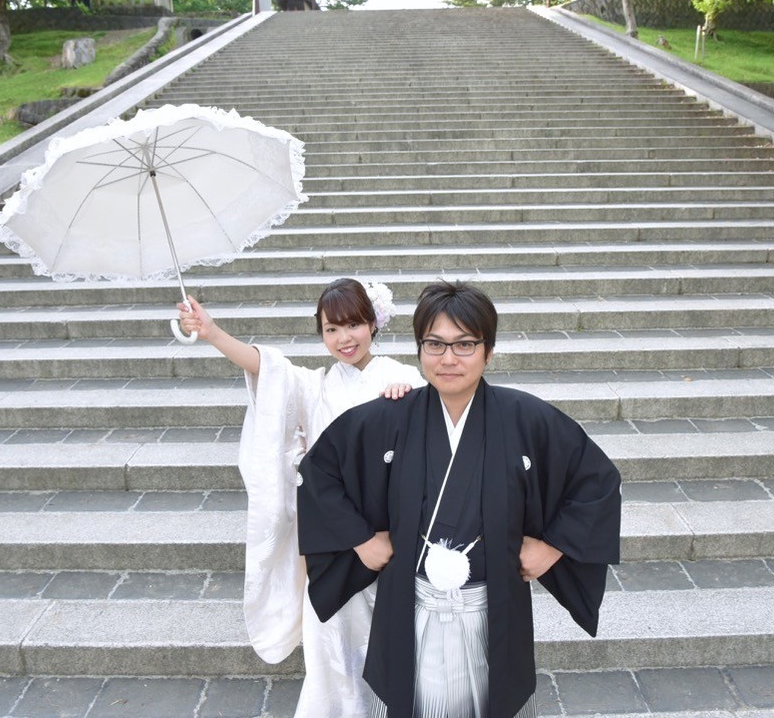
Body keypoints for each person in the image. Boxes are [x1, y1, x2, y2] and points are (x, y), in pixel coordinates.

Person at [296, 281, 622, 718]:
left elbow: (597, 480)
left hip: (492, 607)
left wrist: (553, 547)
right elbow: (318, 472)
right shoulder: (389, 416)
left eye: (465, 344)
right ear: (419, 350)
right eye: (435, 344)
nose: (448, 358)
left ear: (488, 352)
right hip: (409, 607)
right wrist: (359, 539)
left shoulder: (526, 417)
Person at [177, 278, 424, 718]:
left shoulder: (402, 377)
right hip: (333, 535)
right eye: (331, 329)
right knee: (332, 642)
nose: (344, 338)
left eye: (353, 325)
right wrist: (212, 332)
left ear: (373, 323)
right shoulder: (314, 387)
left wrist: (409, 399)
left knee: (390, 639)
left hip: (388, 535)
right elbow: (263, 367)